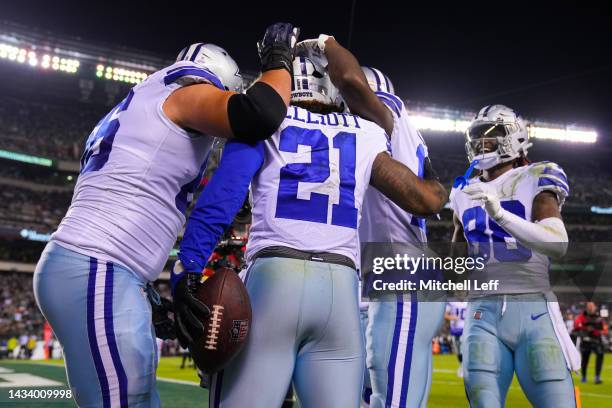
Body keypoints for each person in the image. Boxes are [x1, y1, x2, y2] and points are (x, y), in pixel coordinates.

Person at [33, 22, 299, 407]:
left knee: (136, 398)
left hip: (99, 268)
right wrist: (278, 60)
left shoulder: (136, 106)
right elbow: (258, 114)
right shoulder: (183, 93)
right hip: (97, 265)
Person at [179, 51, 447, 406]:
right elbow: (426, 200)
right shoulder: (366, 133)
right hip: (340, 295)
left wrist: (189, 267)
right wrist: (424, 162)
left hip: (275, 279)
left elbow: (222, 197)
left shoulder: (265, 120)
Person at [297, 35, 448, 407]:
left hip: (403, 278)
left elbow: (350, 82)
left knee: (389, 401)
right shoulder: (392, 140)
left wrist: (323, 46)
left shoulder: (386, 117)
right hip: (387, 278)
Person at [450, 105, 580, 407]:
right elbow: (456, 267)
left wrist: (501, 216)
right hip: (482, 311)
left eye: (490, 137)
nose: (481, 144)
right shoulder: (461, 190)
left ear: (514, 138)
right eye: (477, 137)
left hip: (533, 310)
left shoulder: (536, 174)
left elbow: (558, 243)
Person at [574, 301, 608, 384]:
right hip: (586, 340)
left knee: (600, 355)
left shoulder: (599, 317)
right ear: (586, 307)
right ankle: (584, 377)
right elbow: (576, 326)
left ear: (595, 307)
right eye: (589, 306)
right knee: (585, 359)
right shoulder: (581, 317)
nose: (590, 308)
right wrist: (585, 328)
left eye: (592, 306)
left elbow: (605, 330)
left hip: (596, 340)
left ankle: (597, 377)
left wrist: (598, 331)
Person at [445, 301, 468, 377]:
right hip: (455, 330)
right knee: (458, 351)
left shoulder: (468, 302)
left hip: (464, 329)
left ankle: (463, 368)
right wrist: (453, 317)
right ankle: (462, 366)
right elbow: (445, 315)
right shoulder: (451, 302)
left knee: (462, 349)